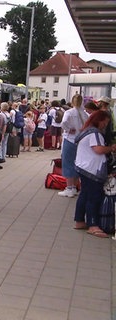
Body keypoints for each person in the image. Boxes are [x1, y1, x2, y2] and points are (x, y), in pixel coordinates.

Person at [73, 110, 116, 238]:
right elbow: (98, 149)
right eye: (105, 122)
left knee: (85, 195)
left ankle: (79, 220)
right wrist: (111, 148)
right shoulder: (95, 133)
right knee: (94, 197)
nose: (105, 125)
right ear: (99, 120)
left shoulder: (87, 131)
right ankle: (93, 225)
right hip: (92, 169)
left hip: (83, 167)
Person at [58, 94, 88, 198]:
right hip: (81, 140)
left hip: (70, 139)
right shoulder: (84, 113)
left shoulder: (69, 112)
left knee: (67, 163)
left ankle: (69, 188)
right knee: (77, 164)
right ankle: (74, 187)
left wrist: (68, 129)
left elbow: (64, 123)